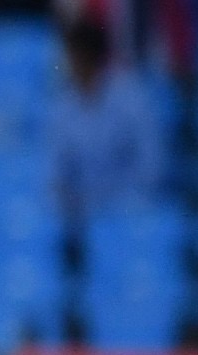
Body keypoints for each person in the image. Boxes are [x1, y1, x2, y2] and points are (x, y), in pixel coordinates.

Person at [50, 18, 162, 224]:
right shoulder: (63, 104)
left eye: (73, 57)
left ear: (88, 57)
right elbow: (56, 171)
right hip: (85, 212)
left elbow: (151, 163)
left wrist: (119, 203)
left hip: (132, 208)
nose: (67, 64)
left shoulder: (131, 95)